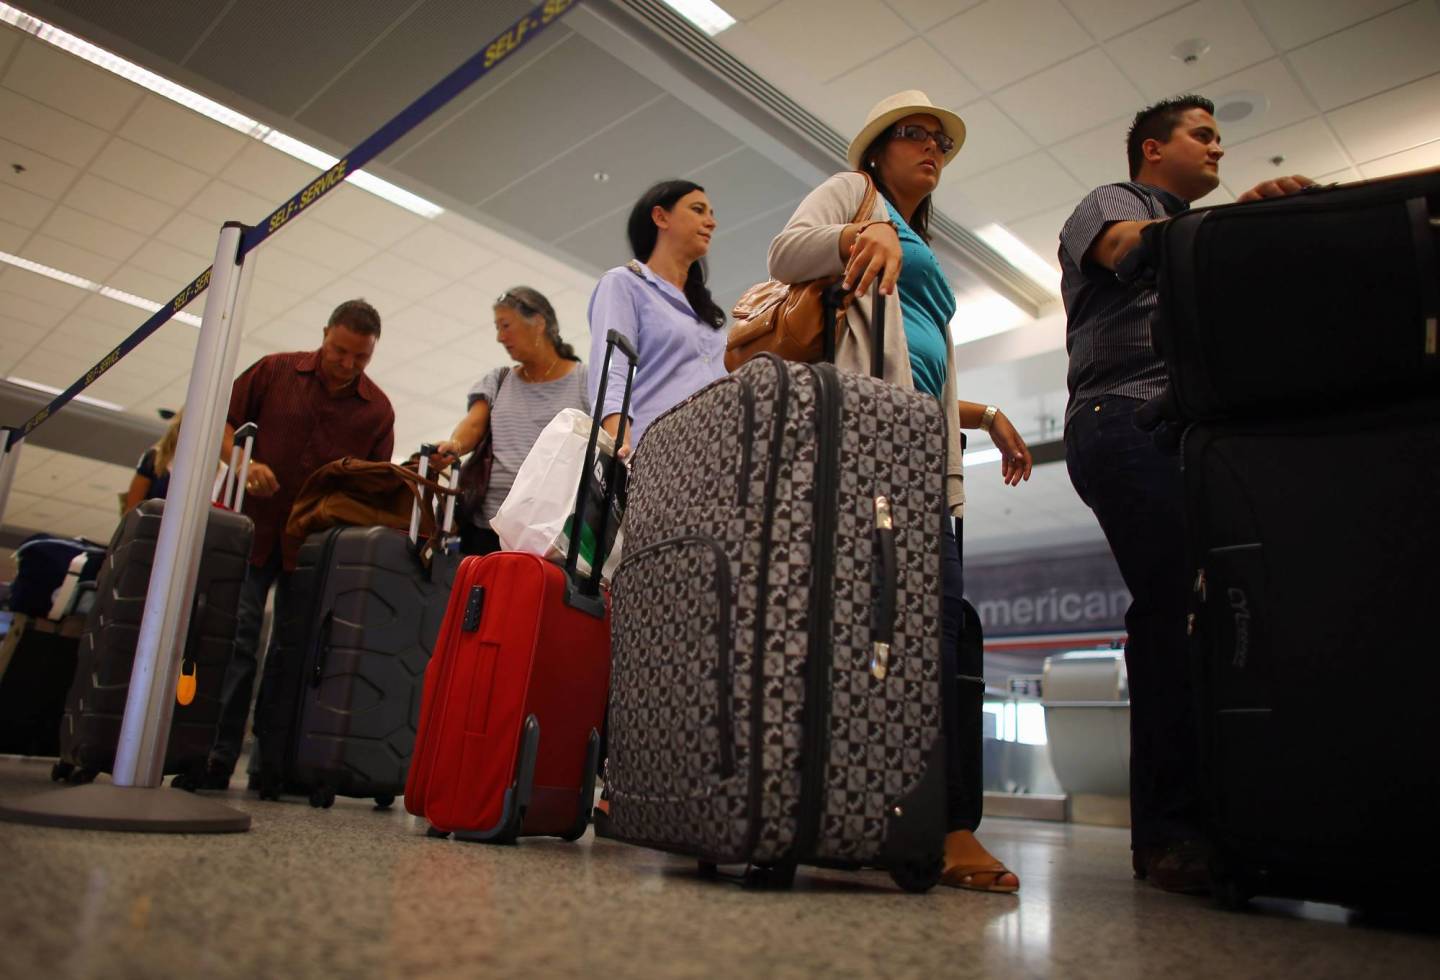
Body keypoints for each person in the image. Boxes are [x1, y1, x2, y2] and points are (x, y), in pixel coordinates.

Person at [769, 90, 1029, 893]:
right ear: (877, 151)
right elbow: (785, 254)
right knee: (882, 627)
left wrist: (982, 416)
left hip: (918, 448)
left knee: (932, 628)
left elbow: (917, 361)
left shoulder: (923, 245)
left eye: (939, 141)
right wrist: (861, 232)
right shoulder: (855, 194)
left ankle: (913, 815)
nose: (931, 148)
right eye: (913, 135)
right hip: (862, 445)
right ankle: (922, 822)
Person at [1058, 94, 1312, 892]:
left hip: (1200, 434)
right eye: (1202, 135)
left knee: (1228, 613)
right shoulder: (1114, 201)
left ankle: (1243, 818)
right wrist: (1230, 226)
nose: (1217, 148)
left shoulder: (1204, 239)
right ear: (1152, 148)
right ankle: (1171, 834)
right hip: (1125, 417)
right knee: (1174, 605)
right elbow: (1125, 248)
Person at [174, 299, 396, 791]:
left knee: (295, 655)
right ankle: (213, 758)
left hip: (315, 548)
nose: (347, 364)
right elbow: (221, 422)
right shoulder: (274, 371)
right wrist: (243, 463)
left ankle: (273, 768)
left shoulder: (378, 410)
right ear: (325, 334)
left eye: (360, 357)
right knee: (236, 642)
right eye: (339, 351)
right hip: (250, 532)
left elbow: (375, 486)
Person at [435, 287, 589, 556]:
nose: (499, 337)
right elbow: (474, 424)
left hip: (550, 534)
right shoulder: (499, 380)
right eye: (497, 328)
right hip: (487, 526)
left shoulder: (585, 380)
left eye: (505, 326)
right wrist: (456, 445)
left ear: (538, 323)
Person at [587, 180, 727, 451]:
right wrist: (619, 445)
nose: (711, 223)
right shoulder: (625, 283)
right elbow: (613, 371)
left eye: (711, 214)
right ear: (661, 217)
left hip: (713, 454)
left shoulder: (707, 313)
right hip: (653, 453)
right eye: (698, 210)